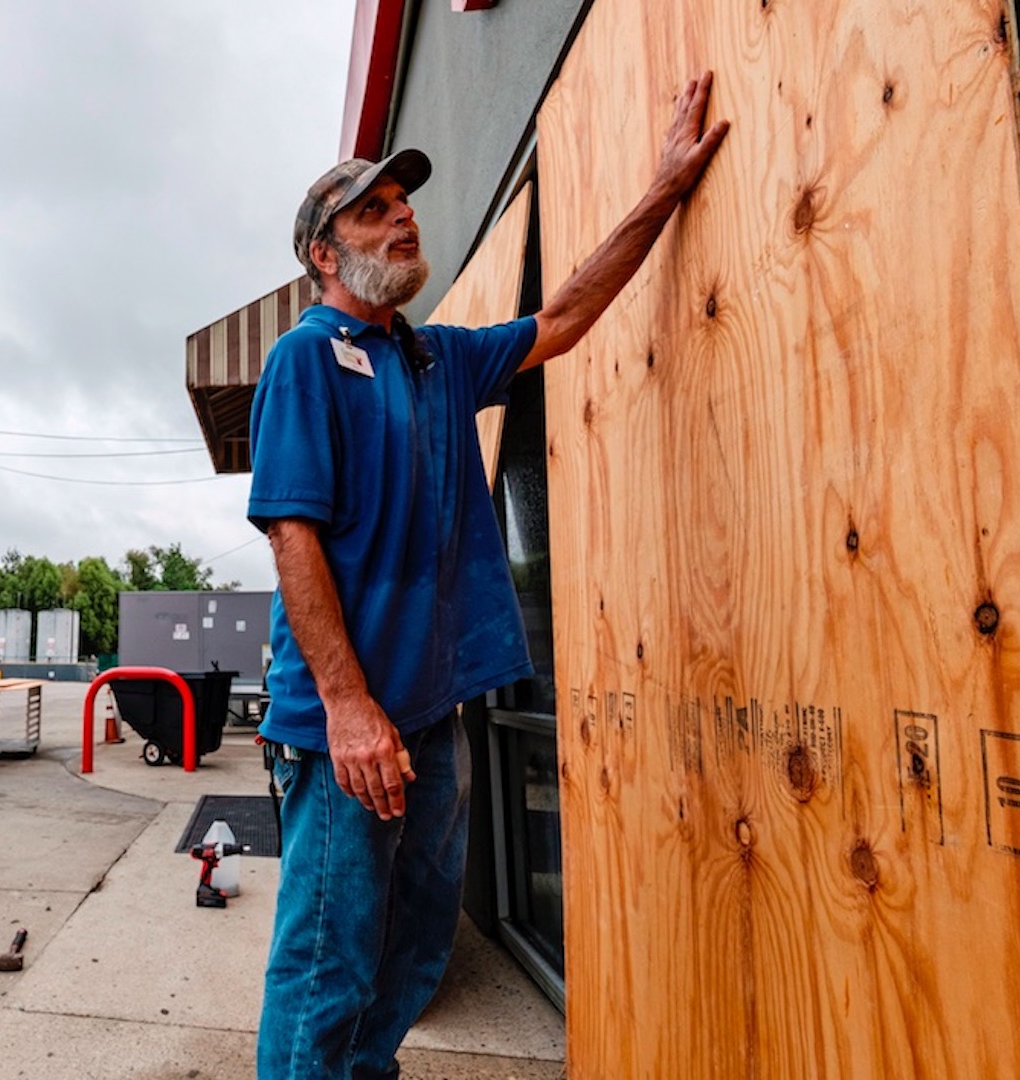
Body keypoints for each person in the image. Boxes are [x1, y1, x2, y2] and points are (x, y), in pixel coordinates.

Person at [250, 74, 729, 1079]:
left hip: (428, 716)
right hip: (348, 730)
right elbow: (292, 536)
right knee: (329, 957)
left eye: (405, 204)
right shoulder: (305, 361)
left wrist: (664, 190)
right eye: (373, 212)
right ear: (324, 256)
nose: (403, 219)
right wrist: (347, 709)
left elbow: (562, 317)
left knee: (417, 943)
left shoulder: (435, 363)